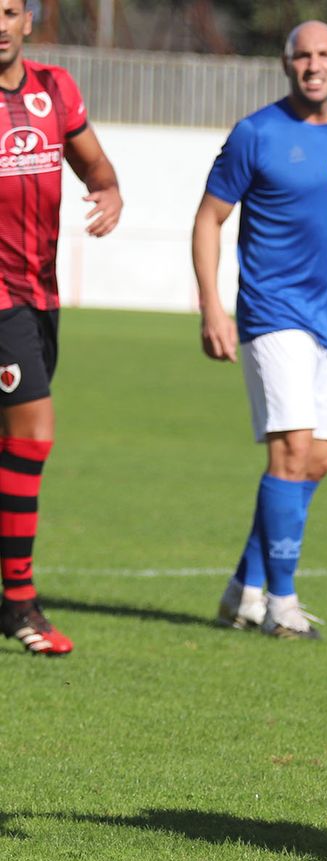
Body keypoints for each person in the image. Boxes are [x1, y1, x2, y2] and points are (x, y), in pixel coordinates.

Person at [192, 20, 327, 641]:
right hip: (272, 313)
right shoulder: (256, 135)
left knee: (319, 460)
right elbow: (208, 220)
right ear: (285, 64)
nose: (313, 65)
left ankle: (240, 590)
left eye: (324, 54)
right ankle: (281, 603)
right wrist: (212, 307)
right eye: (301, 55)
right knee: (292, 451)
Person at [0, 0, 122, 655]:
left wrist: (109, 194)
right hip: (0, 304)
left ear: (28, 21)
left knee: (14, 441)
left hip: (40, 295)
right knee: (32, 437)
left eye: (9, 11)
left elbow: (97, 169)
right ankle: (18, 604)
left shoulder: (55, 89)